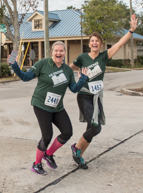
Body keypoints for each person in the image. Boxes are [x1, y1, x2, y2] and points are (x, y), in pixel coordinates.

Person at [69, 14, 139, 169]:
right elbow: (69, 69)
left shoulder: (103, 56)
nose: (95, 43)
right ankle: (76, 149)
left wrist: (131, 31)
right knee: (95, 127)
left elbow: (119, 44)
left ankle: (79, 155)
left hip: (96, 97)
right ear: (89, 44)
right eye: (92, 41)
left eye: (97, 41)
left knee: (91, 128)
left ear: (101, 44)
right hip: (84, 95)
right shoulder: (82, 57)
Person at [11, 41, 89, 175]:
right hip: (41, 104)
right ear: (52, 52)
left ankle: (49, 154)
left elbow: (74, 89)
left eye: (61, 51)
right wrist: (14, 65)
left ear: (65, 53)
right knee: (47, 136)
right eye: (56, 51)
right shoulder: (43, 64)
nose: (59, 53)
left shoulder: (67, 70)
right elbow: (25, 77)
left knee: (67, 132)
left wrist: (83, 79)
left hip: (57, 106)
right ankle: (36, 164)